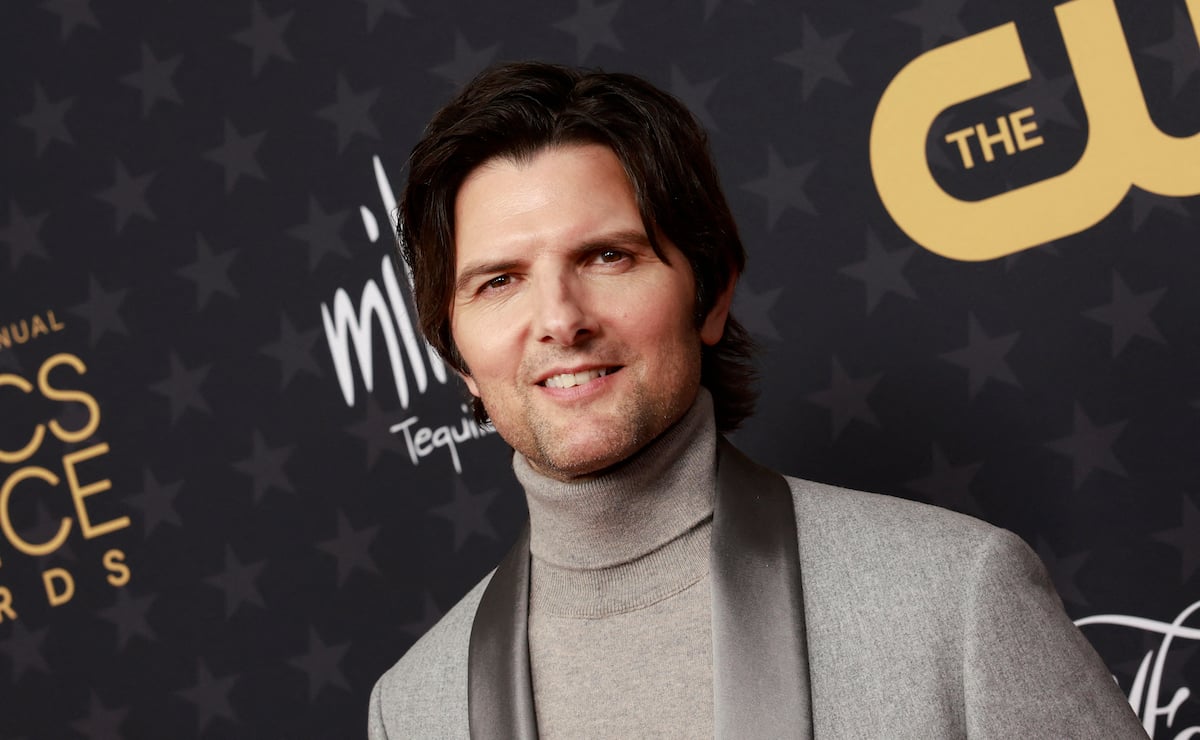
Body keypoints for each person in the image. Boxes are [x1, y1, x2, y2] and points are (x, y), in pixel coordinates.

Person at [368, 61, 1143, 738]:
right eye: (499, 281)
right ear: (457, 354)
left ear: (710, 294)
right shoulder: (412, 709)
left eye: (608, 255)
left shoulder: (955, 598)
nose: (561, 320)